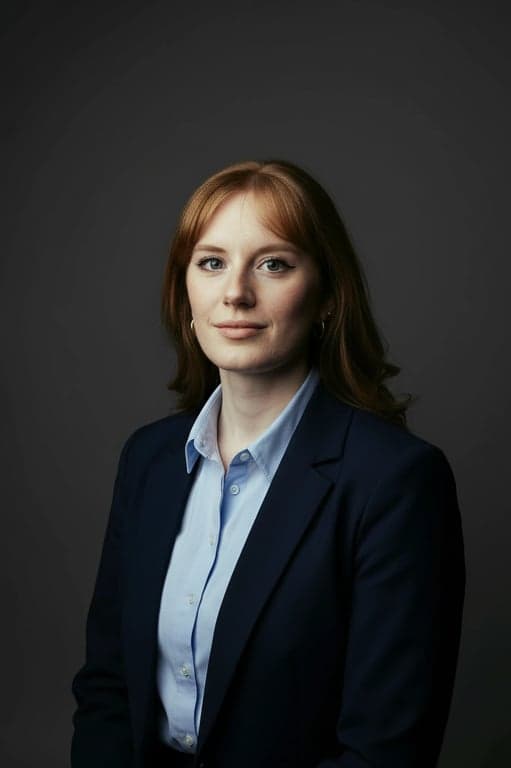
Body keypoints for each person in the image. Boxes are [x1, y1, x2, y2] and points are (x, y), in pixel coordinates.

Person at [71, 159, 466, 768]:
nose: (235, 292)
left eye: (273, 263)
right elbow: (106, 690)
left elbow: (384, 751)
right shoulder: (148, 459)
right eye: (211, 263)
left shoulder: (396, 482)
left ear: (329, 295)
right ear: (186, 296)